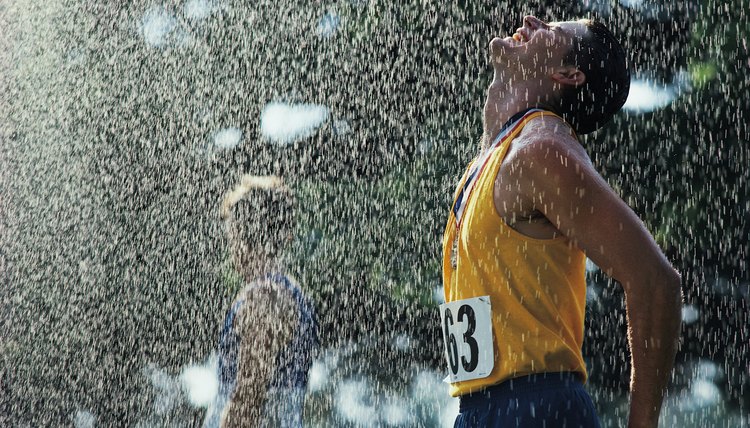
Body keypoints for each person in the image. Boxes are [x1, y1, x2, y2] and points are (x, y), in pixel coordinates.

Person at [440, 15, 682, 428]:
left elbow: (656, 282)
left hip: (537, 406)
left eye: (552, 30)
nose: (531, 19)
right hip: (482, 408)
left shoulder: (542, 149)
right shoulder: (496, 157)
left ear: (567, 74)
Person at [203, 174, 318, 428]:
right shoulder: (288, 292)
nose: (230, 247)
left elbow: (248, 398)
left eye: (231, 234)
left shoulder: (264, 296)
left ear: (241, 235)